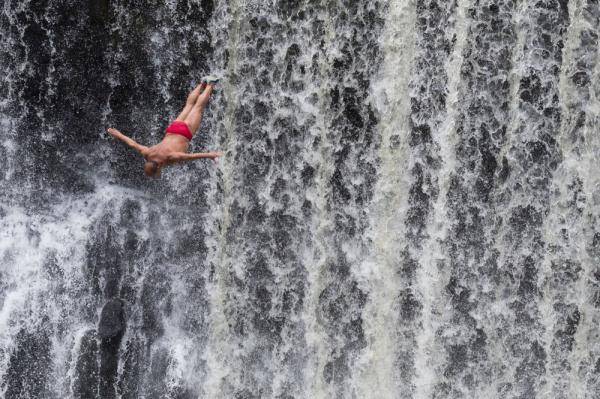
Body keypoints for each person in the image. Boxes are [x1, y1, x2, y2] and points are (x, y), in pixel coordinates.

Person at [107, 76, 222, 177]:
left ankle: (210, 84)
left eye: (157, 173)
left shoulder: (170, 157)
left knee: (198, 107)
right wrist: (118, 135)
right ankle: (202, 83)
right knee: (189, 105)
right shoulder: (148, 153)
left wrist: (211, 155)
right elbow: (132, 143)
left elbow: (192, 156)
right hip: (173, 129)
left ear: (159, 166)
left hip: (184, 132)